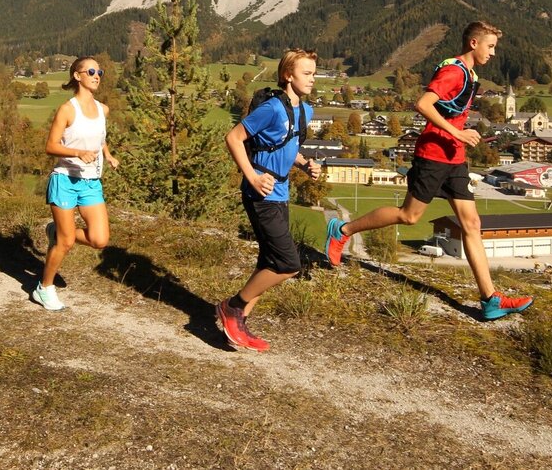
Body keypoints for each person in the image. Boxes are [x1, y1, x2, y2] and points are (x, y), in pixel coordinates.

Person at [324, 21, 533, 322]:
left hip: (455, 158)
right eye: (490, 46)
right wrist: (457, 133)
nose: (493, 53)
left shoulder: (471, 74)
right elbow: (422, 104)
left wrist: (459, 136)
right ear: (474, 43)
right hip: (433, 156)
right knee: (409, 216)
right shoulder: (454, 72)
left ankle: (490, 300)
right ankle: (342, 231)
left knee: (472, 223)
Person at [217, 48, 323, 351]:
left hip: (281, 193)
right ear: (288, 75)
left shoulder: (305, 111)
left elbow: (287, 146)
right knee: (288, 264)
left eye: (314, 74)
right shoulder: (273, 108)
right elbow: (234, 138)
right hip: (260, 194)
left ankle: (238, 324)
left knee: (270, 261)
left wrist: (304, 164)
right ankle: (232, 307)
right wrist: (252, 177)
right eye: (306, 73)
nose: (312, 79)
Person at [33, 56, 119, 311]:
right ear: (77, 76)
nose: (97, 76)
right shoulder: (67, 110)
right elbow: (50, 146)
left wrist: (108, 154)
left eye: (99, 72)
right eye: (91, 71)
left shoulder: (103, 110)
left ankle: (55, 232)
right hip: (65, 180)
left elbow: (99, 136)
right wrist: (77, 153)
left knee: (99, 239)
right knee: (67, 242)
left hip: (91, 182)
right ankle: (44, 288)